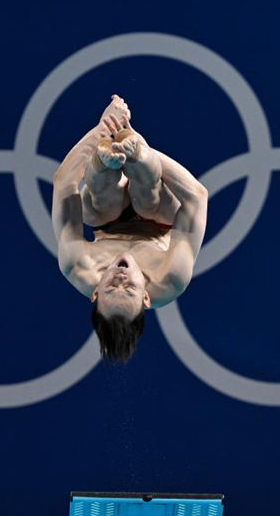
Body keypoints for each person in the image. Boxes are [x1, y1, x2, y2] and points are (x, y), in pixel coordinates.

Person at [52, 95, 208, 362]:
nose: (121, 278)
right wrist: (138, 149)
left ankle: (105, 161)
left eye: (112, 288)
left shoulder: (78, 266)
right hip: (157, 220)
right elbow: (197, 197)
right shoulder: (170, 278)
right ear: (146, 299)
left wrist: (104, 128)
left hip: (106, 219)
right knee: (148, 195)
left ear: (95, 293)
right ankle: (134, 156)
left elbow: (64, 184)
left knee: (100, 193)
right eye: (131, 290)